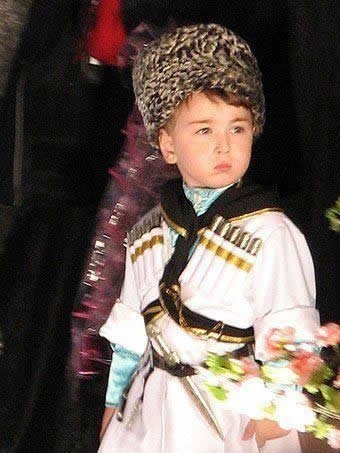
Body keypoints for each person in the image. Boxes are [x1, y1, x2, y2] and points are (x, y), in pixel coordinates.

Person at [98, 23, 320, 452]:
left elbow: (291, 331)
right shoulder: (147, 233)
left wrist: (278, 407)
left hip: (230, 415)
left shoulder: (272, 234)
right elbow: (130, 336)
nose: (224, 146)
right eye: (204, 130)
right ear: (167, 144)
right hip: (151, 414)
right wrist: (114, 401)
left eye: (237, 128)